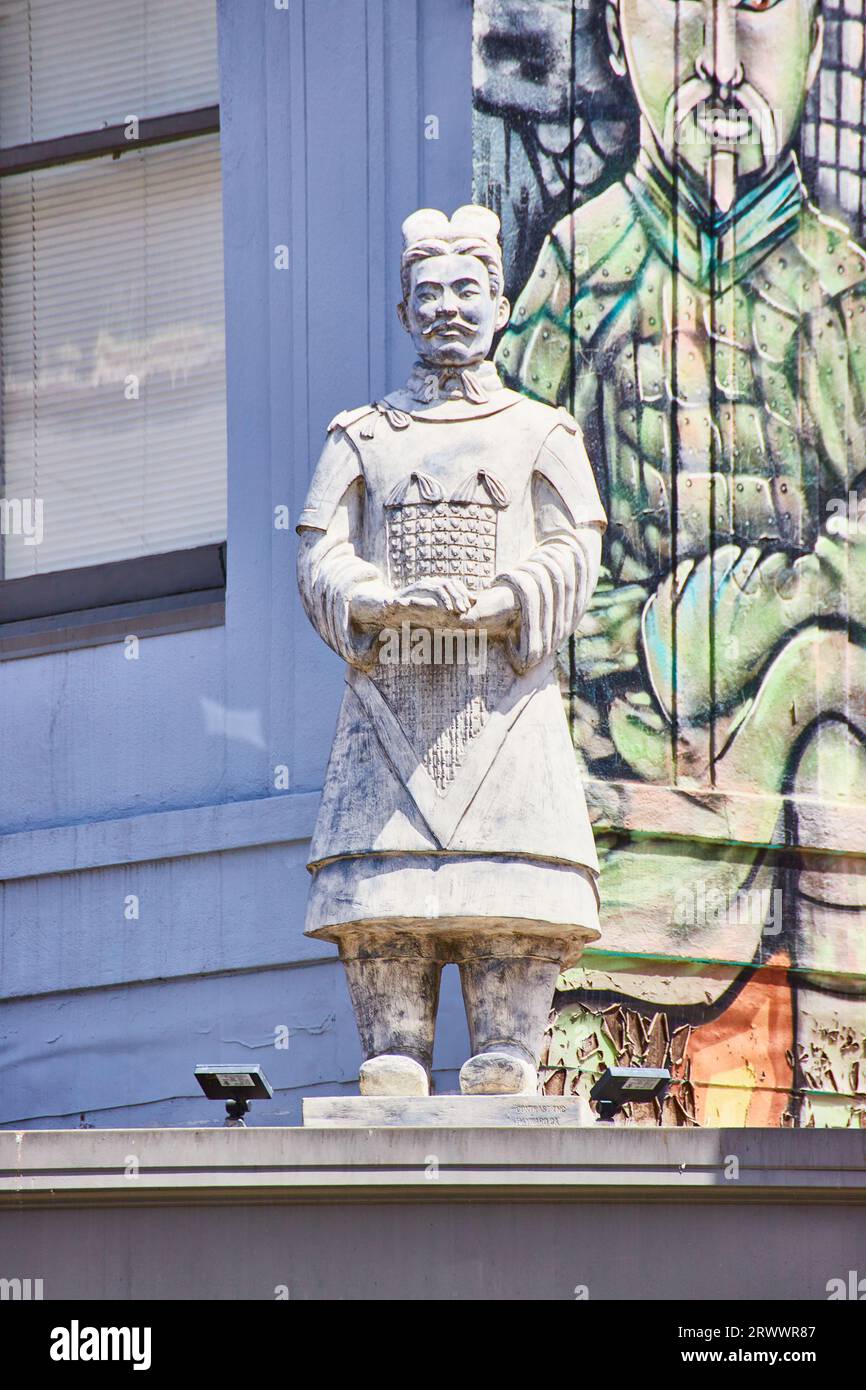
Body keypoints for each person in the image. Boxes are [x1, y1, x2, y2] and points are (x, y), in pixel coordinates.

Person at [296, 204, 606, 1098]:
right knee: (385, 902)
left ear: (502, 305)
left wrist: (509, 596)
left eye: (467, 290)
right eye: (426, 293)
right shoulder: (361, 434)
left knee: (512, 890)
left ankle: (507, 1043)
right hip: (391, 697)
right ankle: (393, 1042)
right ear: (402, 314)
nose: (447, 308)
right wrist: (380, 597)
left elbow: (576, 543)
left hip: (502, 697)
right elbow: (319, 551)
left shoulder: (542, 431)